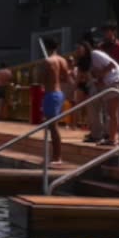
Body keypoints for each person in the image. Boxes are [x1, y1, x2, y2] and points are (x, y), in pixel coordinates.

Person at [81, 40, 119, 146]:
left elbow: (111, 65)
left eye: (80, 48)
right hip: (107, 84)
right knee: (110, 112)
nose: (78, 51)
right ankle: (109, 137)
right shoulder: (87, 61)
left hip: (115, 81)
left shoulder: (95, 54)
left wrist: (100, 75)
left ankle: (112, 139)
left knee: (112, 113)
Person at [38, 37, 69, 165]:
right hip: (59, 93)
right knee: (52, 126)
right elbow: (65, 77)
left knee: (53, 127)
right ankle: (55, 156)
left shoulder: (47, 61)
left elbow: (41, 80)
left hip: (50, 94)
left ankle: (57, 157)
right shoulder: (62, 60)